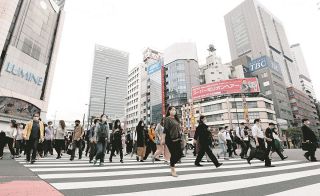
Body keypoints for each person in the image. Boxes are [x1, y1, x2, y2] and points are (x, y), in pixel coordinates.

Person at [162, 106, 183, 177]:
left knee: (180, 154)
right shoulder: (167, 119)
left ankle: (171, 164)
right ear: (169, 111)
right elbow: (165, 130)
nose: (174, 111)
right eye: (173, 110)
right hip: (170, 139)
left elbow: (178, 129)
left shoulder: (176, 119)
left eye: (175, 110)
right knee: (173, 154)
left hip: (177, 139)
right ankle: (173, 170)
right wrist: (163, 139)